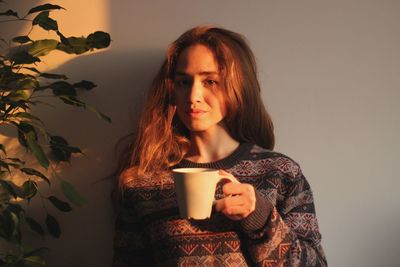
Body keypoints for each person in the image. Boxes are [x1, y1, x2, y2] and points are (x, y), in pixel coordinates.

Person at [112, 26, 327, 266]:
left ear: (237, 87)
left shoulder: (280, 172)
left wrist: (261, 218)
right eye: (184, 82)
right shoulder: (142, 181)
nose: (194, 95)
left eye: (210, 81)